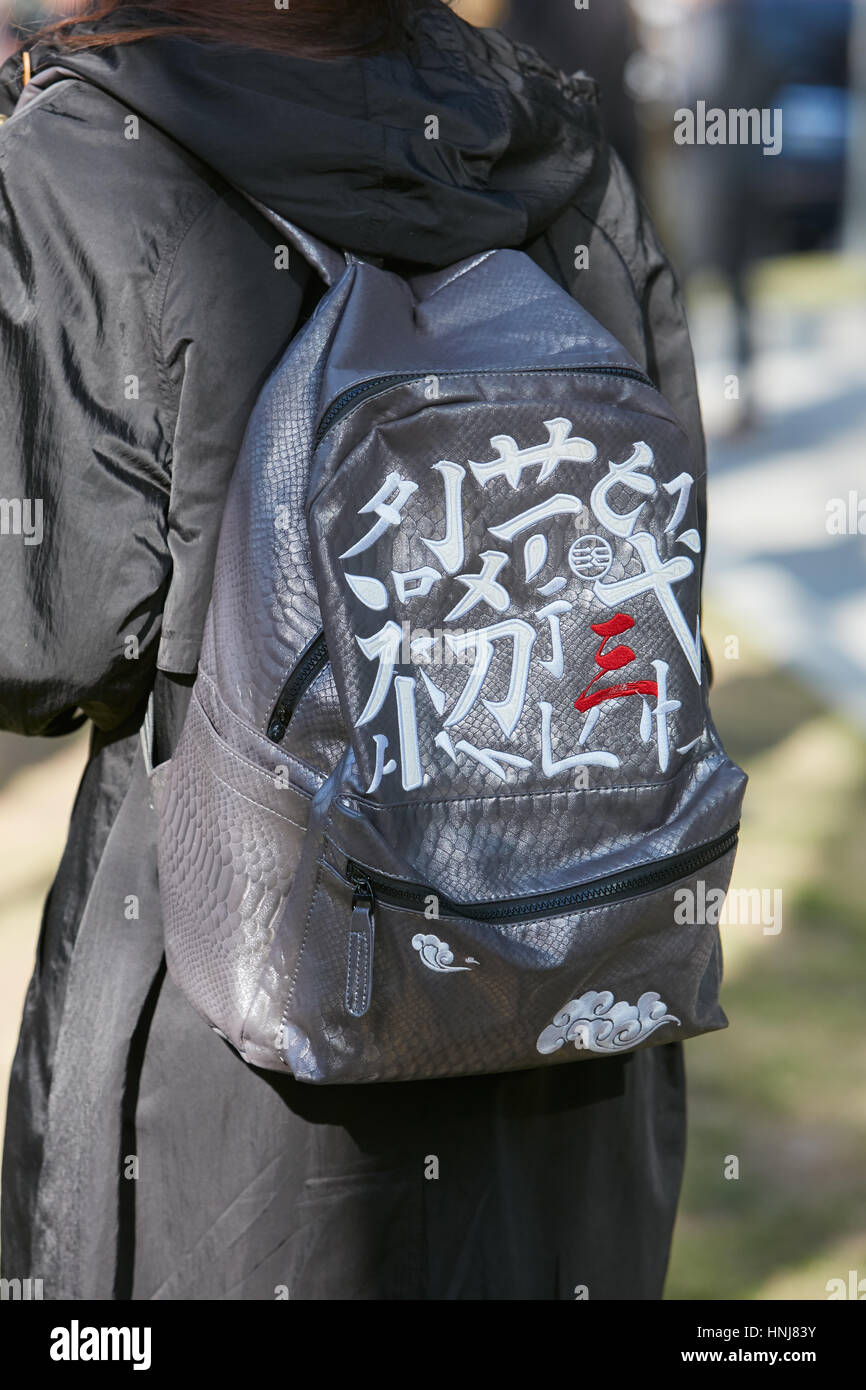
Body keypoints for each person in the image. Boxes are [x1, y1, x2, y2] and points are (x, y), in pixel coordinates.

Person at [0, 0, 703, 1300]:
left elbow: (50, 639)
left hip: (241, 996)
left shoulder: (86, 144)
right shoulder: (551, 128)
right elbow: (658, 530)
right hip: (569, 968)